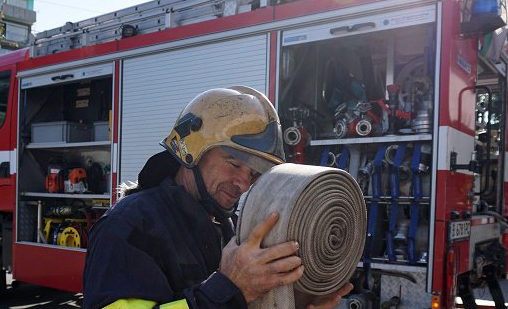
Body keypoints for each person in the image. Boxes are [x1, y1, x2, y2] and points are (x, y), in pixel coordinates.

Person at [83, 86, 353, 309]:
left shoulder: (228, 226)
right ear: (192, 153)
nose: (244, 184)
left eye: (254, 174)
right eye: (234, 164)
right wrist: (228, 289)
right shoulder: (130, 226)